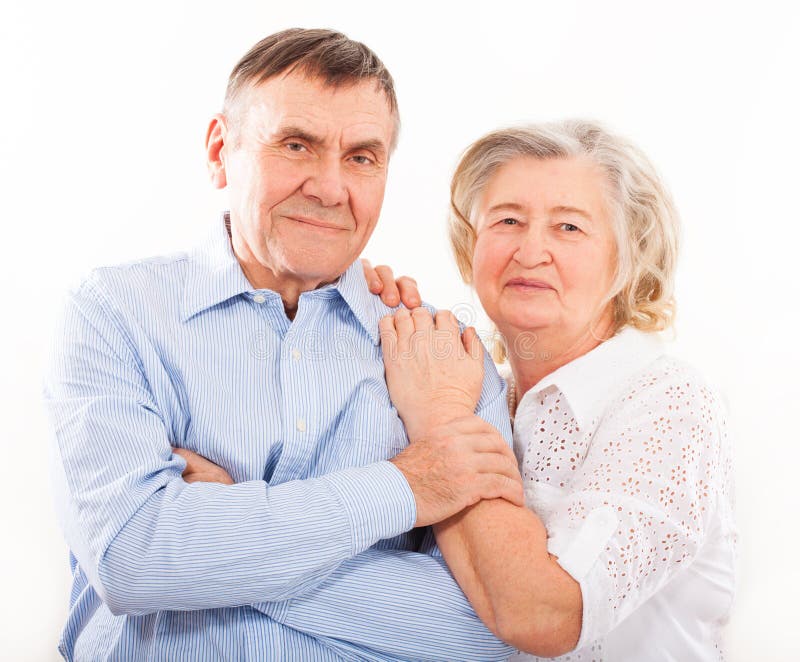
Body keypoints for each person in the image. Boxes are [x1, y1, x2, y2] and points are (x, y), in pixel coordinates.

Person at [42, 29, 523, 661]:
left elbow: (490, 629)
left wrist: (213, 540)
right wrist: (404, 489)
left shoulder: (441, 354)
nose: (329, 187)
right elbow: (131, 559)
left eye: (361, 157)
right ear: (221, 150)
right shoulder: (114, 314)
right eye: (296, 145)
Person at [366, 121, 737, 659]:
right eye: (507, 220)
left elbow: (542, 615)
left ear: (628, 258)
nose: (530, 250)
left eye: (568, 227)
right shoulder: (471, 385)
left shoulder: (669, 401)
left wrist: (444, 419)